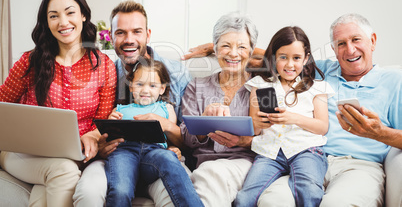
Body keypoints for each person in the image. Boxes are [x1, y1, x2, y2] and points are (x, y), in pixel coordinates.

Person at [184, 13, 402, 206]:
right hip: (289, 154)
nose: (350, 49)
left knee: (334, 202)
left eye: (356, 40)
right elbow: (284, 52)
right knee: (271, 201)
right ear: (333, 49)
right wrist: (218, 47)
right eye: (341, 43)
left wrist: (378, 133)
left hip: (351, 163)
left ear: (372, 41)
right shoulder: (319, 70)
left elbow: (289, 56)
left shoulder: (393, 81)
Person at [0, 0, 116, 206]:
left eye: (70, 12)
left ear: (83, 15)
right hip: (22, 153)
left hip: (76, 155)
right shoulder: (29, 62)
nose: (63, 22)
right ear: (47, 22)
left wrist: (92, 135)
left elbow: (102, 120)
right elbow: (2, 103)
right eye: (54, 16)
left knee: (45, 192)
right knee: (64, 171)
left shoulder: (104, 66)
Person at [73, 0, 191, 206]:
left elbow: (189, 138)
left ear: (148, 34)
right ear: (111, 36)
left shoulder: (177, 73)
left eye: (137, 31)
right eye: (121, 33)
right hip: (118, 157)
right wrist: (100, 146)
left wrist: (173, 143)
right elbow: (97, 126)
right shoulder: (105, 72)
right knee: (92, 192)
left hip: (159, 156)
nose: (129, 40)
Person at [234, 26, 334, 206]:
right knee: (244, 198)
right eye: (283, 57)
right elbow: (254, 130)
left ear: (306, 58)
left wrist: (293, 118)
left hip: (306, 150)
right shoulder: (259, 85)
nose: (289, 64)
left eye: (296, 58)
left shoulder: (317, 87)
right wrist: (259, 123)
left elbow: (322, 127)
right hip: (269, 153)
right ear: (273, 58)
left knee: (310, 191)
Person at [180, 12, 258, 206]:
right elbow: (185, 137)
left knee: (210, 174)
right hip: (203, 164)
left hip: (244, 164)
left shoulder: (263, 89)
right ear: (215, 49)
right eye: (225, 45)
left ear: (251, 51)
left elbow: (274, 139)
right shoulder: (196, 86)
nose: (233, 53)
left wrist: (243, 141)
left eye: (241, 47)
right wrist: (203, 122)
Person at [104, 58, 203, 206]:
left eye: (152, 85)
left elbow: (171, 139)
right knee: (120, 190)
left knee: (168, 157)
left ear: (162, 89)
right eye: (139, 84)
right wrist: (111, 121)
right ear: (131, 86)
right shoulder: (119, 110)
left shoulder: (166, 108)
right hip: (124, 152)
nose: (145, 90)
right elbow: (108, 137)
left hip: (154, 152)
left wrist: (173, 148)